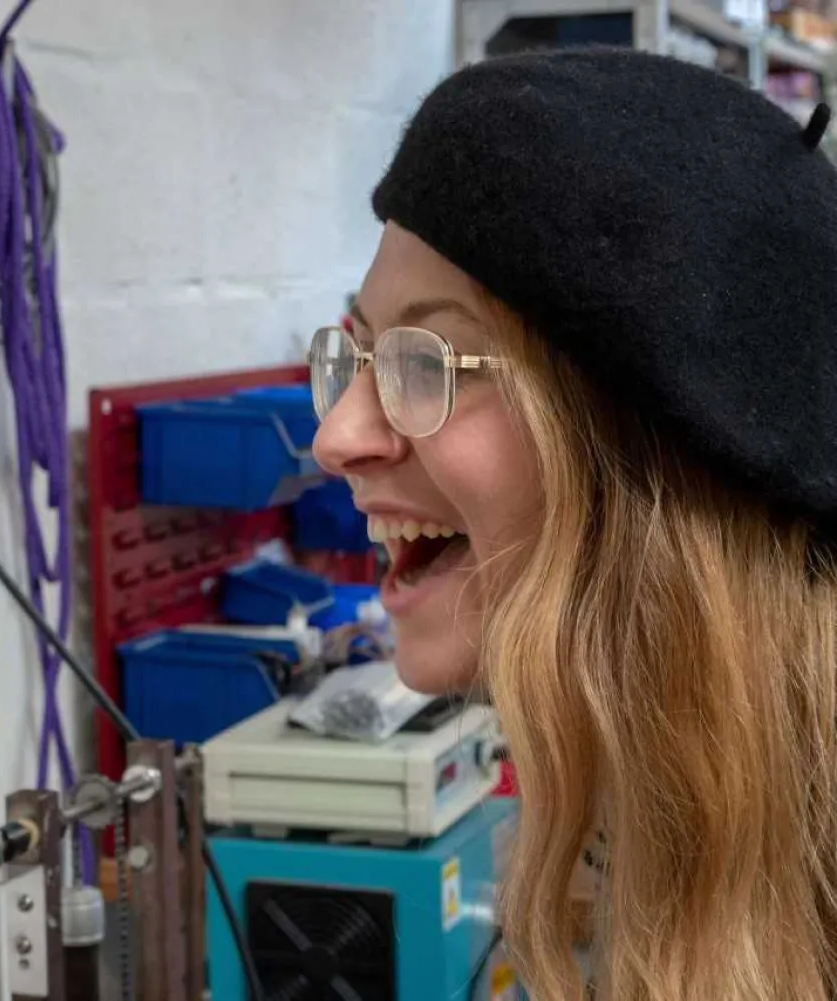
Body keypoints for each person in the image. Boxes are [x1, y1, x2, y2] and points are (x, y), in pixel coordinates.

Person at [310, 47, 837, 1001]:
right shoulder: (659, 833)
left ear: (656, 457)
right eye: (356, 354)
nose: (337, 435)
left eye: (427, 363)